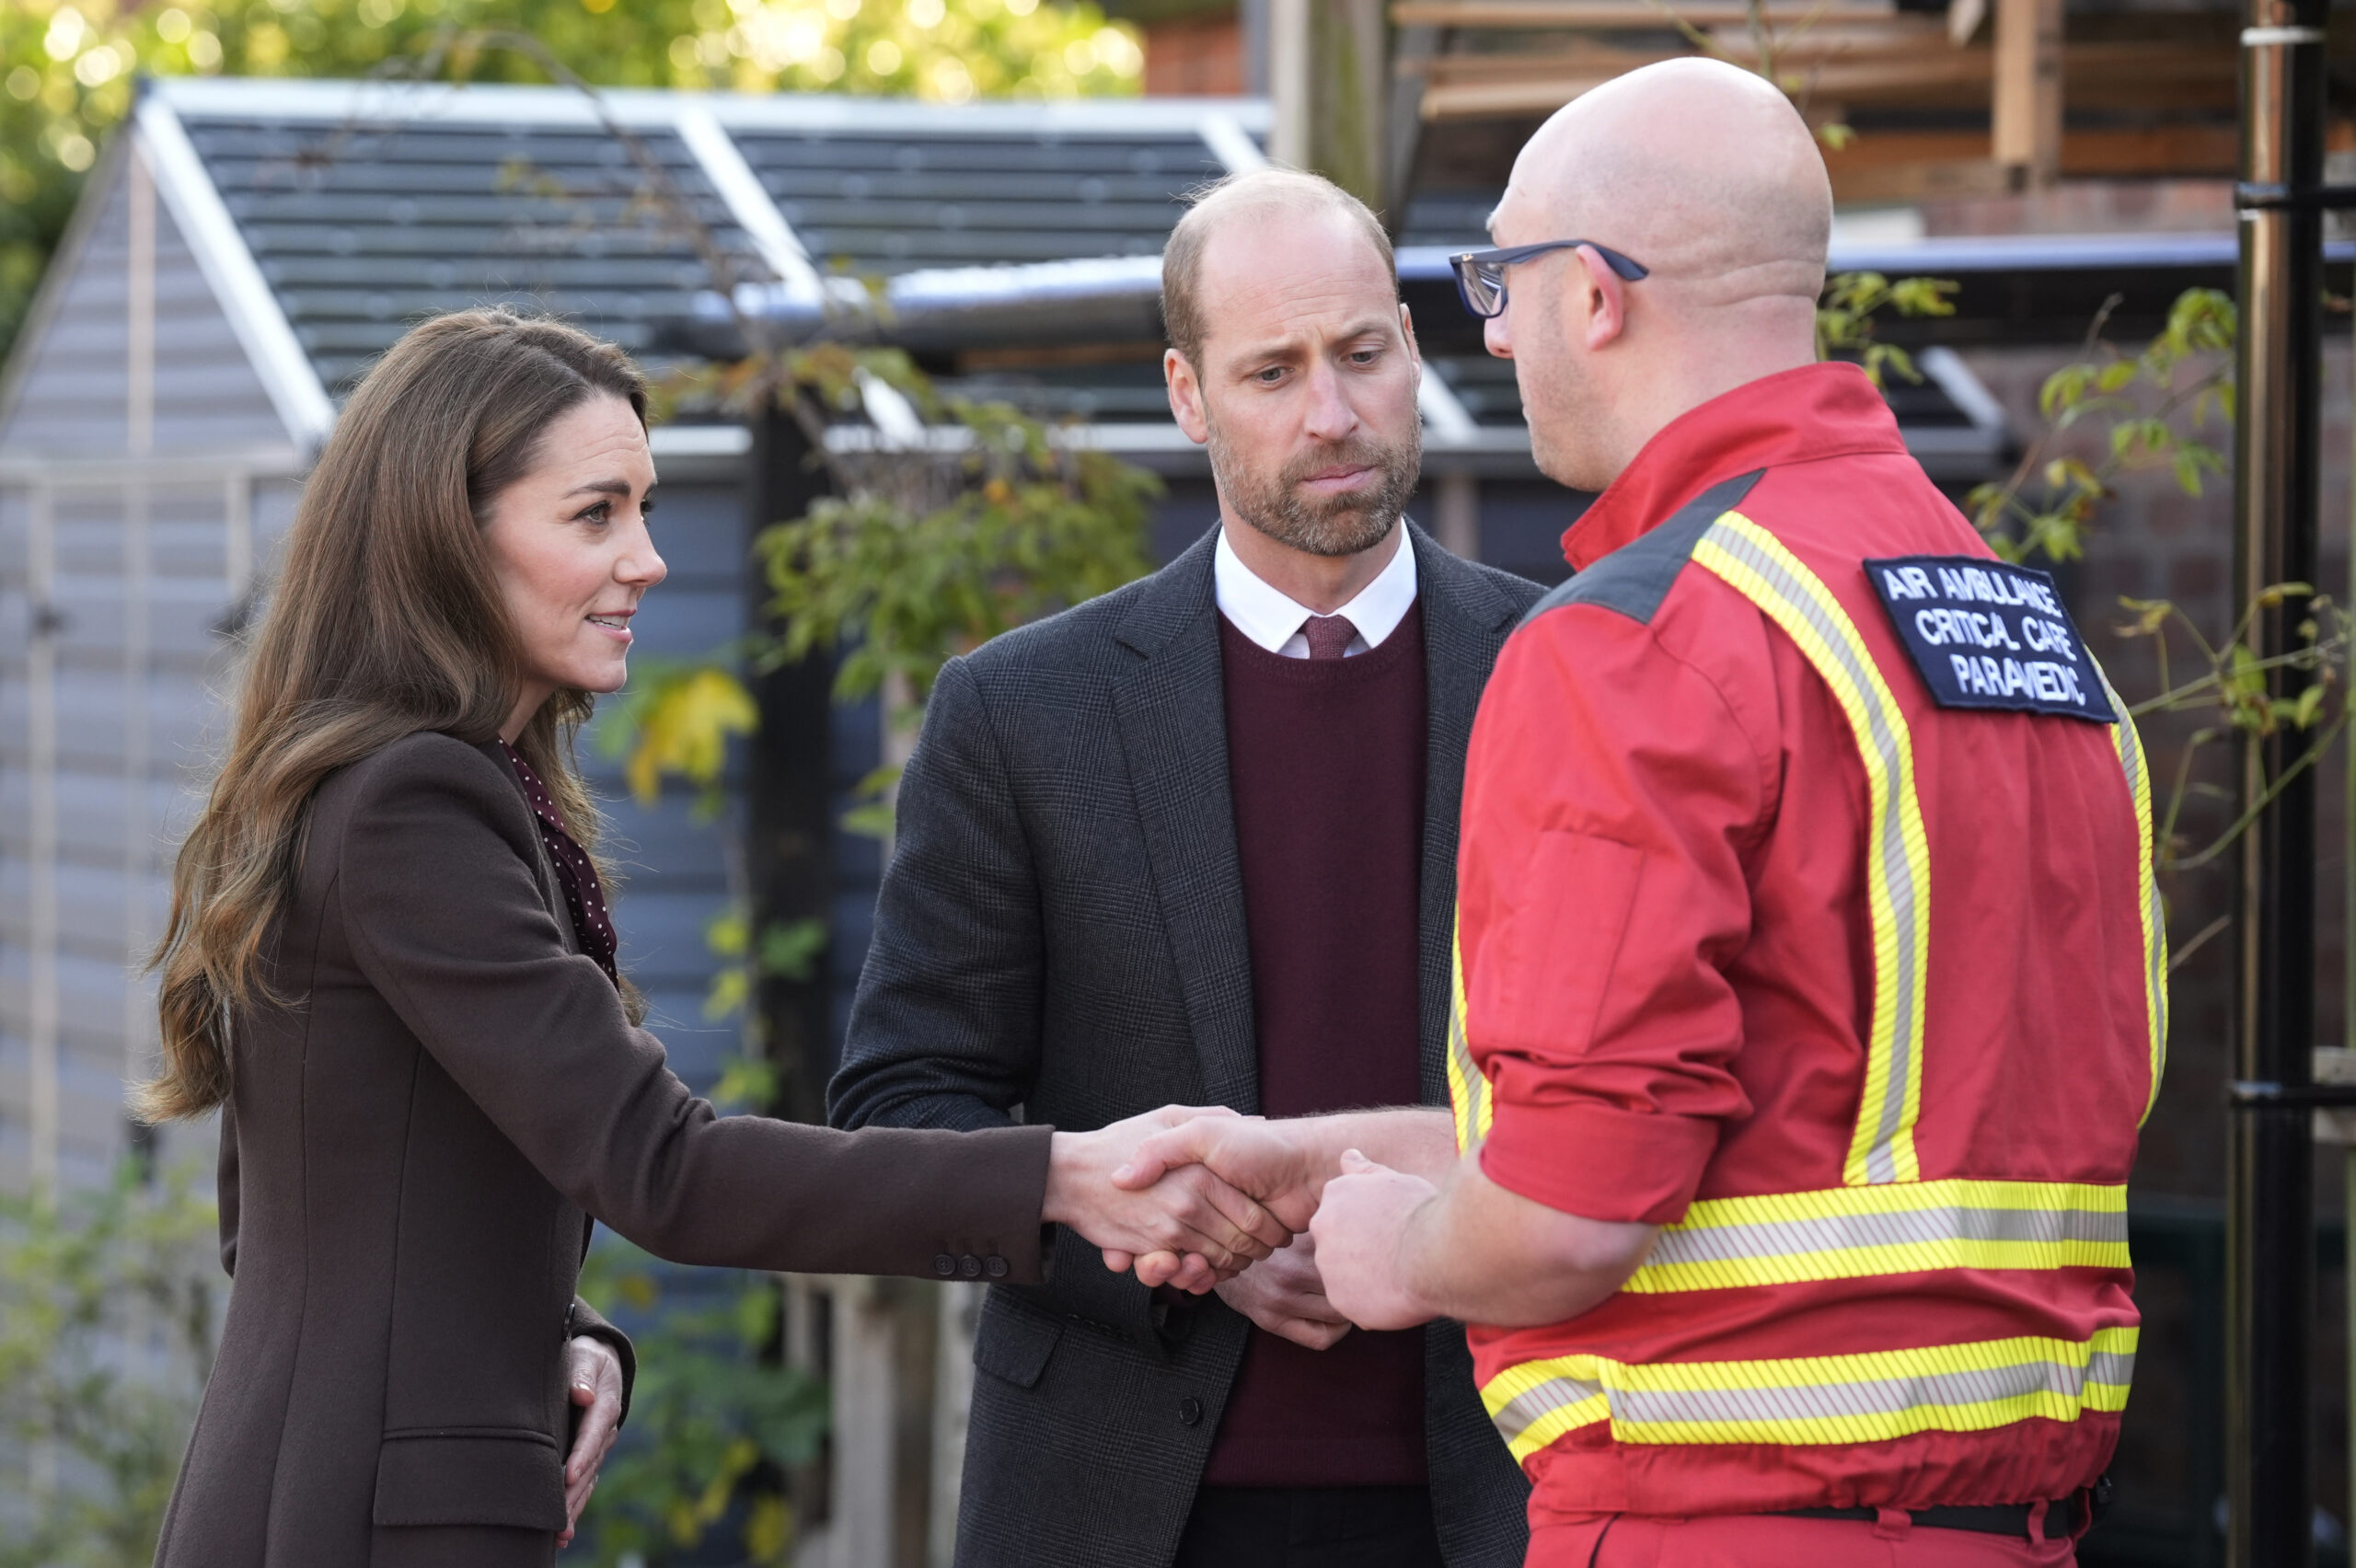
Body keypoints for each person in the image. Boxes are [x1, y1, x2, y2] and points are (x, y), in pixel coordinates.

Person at [1119, 58, 2166, 1568]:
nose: (1491, 328)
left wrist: (1399, 1250)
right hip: (2012, 1524)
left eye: (1502, 278)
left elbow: (1573, 1212)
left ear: (1594, 298)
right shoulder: (2012, 626)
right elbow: (1792, 1125)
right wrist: (1337, 1154)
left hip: (1728, 1507)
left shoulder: (1641, 640)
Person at [141, 308, 1287, 1568]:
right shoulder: (417, 805)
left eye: (641, 507)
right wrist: (1061, 1177)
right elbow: (665, 1171)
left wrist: (560, 1332)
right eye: (595, 514)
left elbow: (314, 1207)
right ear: (445, 541)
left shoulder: (395, 788)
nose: (648, 559)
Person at [826, 168, 1539, 1568]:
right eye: (1271, 371)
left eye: (1360, 354)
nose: (1330, 414)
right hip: (1121, 1495)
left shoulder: (1569, 674)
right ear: (1186, 393)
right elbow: (905, 1108)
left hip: (1508, 1483)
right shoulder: (1025, 714)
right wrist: (1180, 1245)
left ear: (1408, 344)